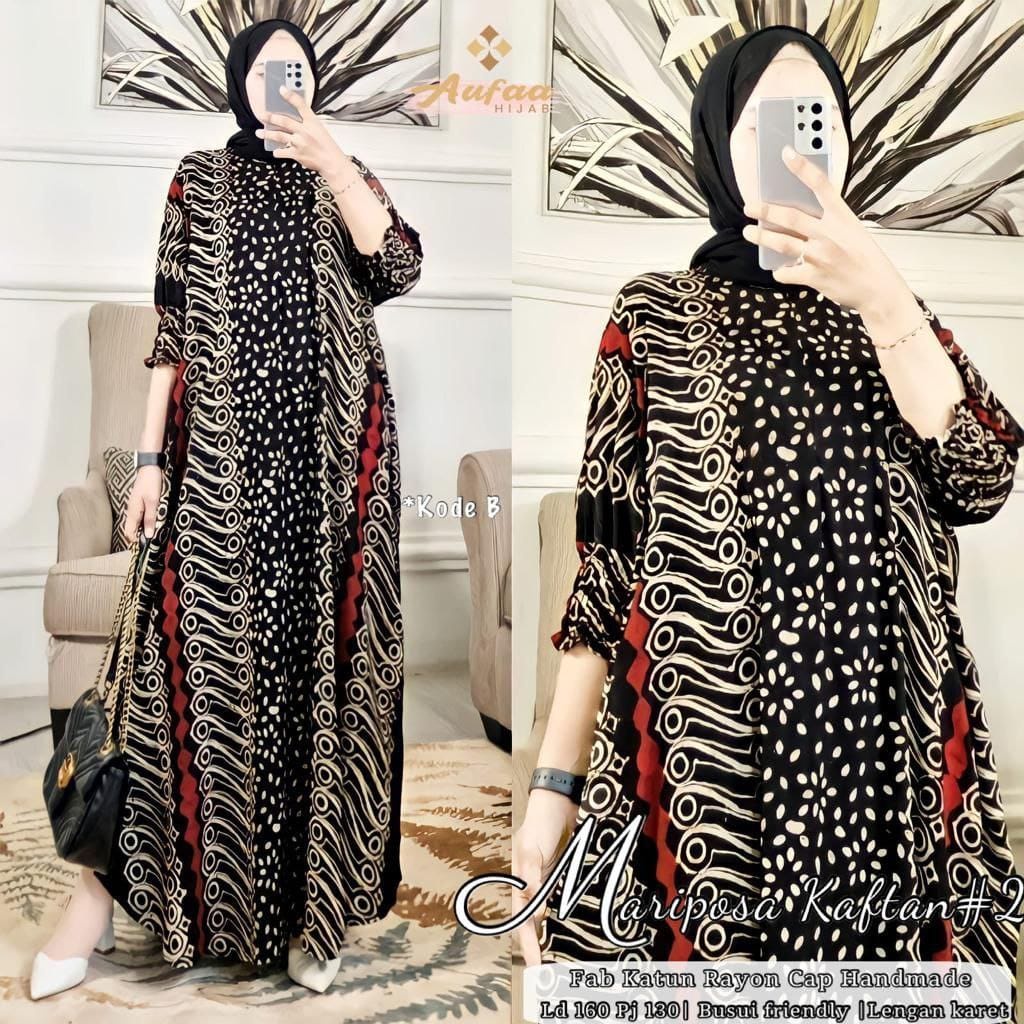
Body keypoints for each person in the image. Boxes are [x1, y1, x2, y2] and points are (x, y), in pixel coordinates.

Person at [513, 23, 1023, 991]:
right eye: (773, 119)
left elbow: (981, 478)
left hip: (887, 742)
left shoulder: (890, 312)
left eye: (820, 117)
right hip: (707, 741)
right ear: (718, 140)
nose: (801, 143)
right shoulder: (652, 313)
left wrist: (884, 299)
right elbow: (604, 566)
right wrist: (552, 790)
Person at [31, 18, 422, 999]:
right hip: (217, 470)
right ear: (239, 81)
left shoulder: (342, 172)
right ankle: (117, 902)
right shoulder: (198, 179)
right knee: (186, 681)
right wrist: (148, 460)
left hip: (334, 469)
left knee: (323, 679)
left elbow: (399, 268)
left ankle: (312, 917)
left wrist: (333, 158)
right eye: (268, 68)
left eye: (299, 69)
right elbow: (170, 330)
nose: (285, 81)